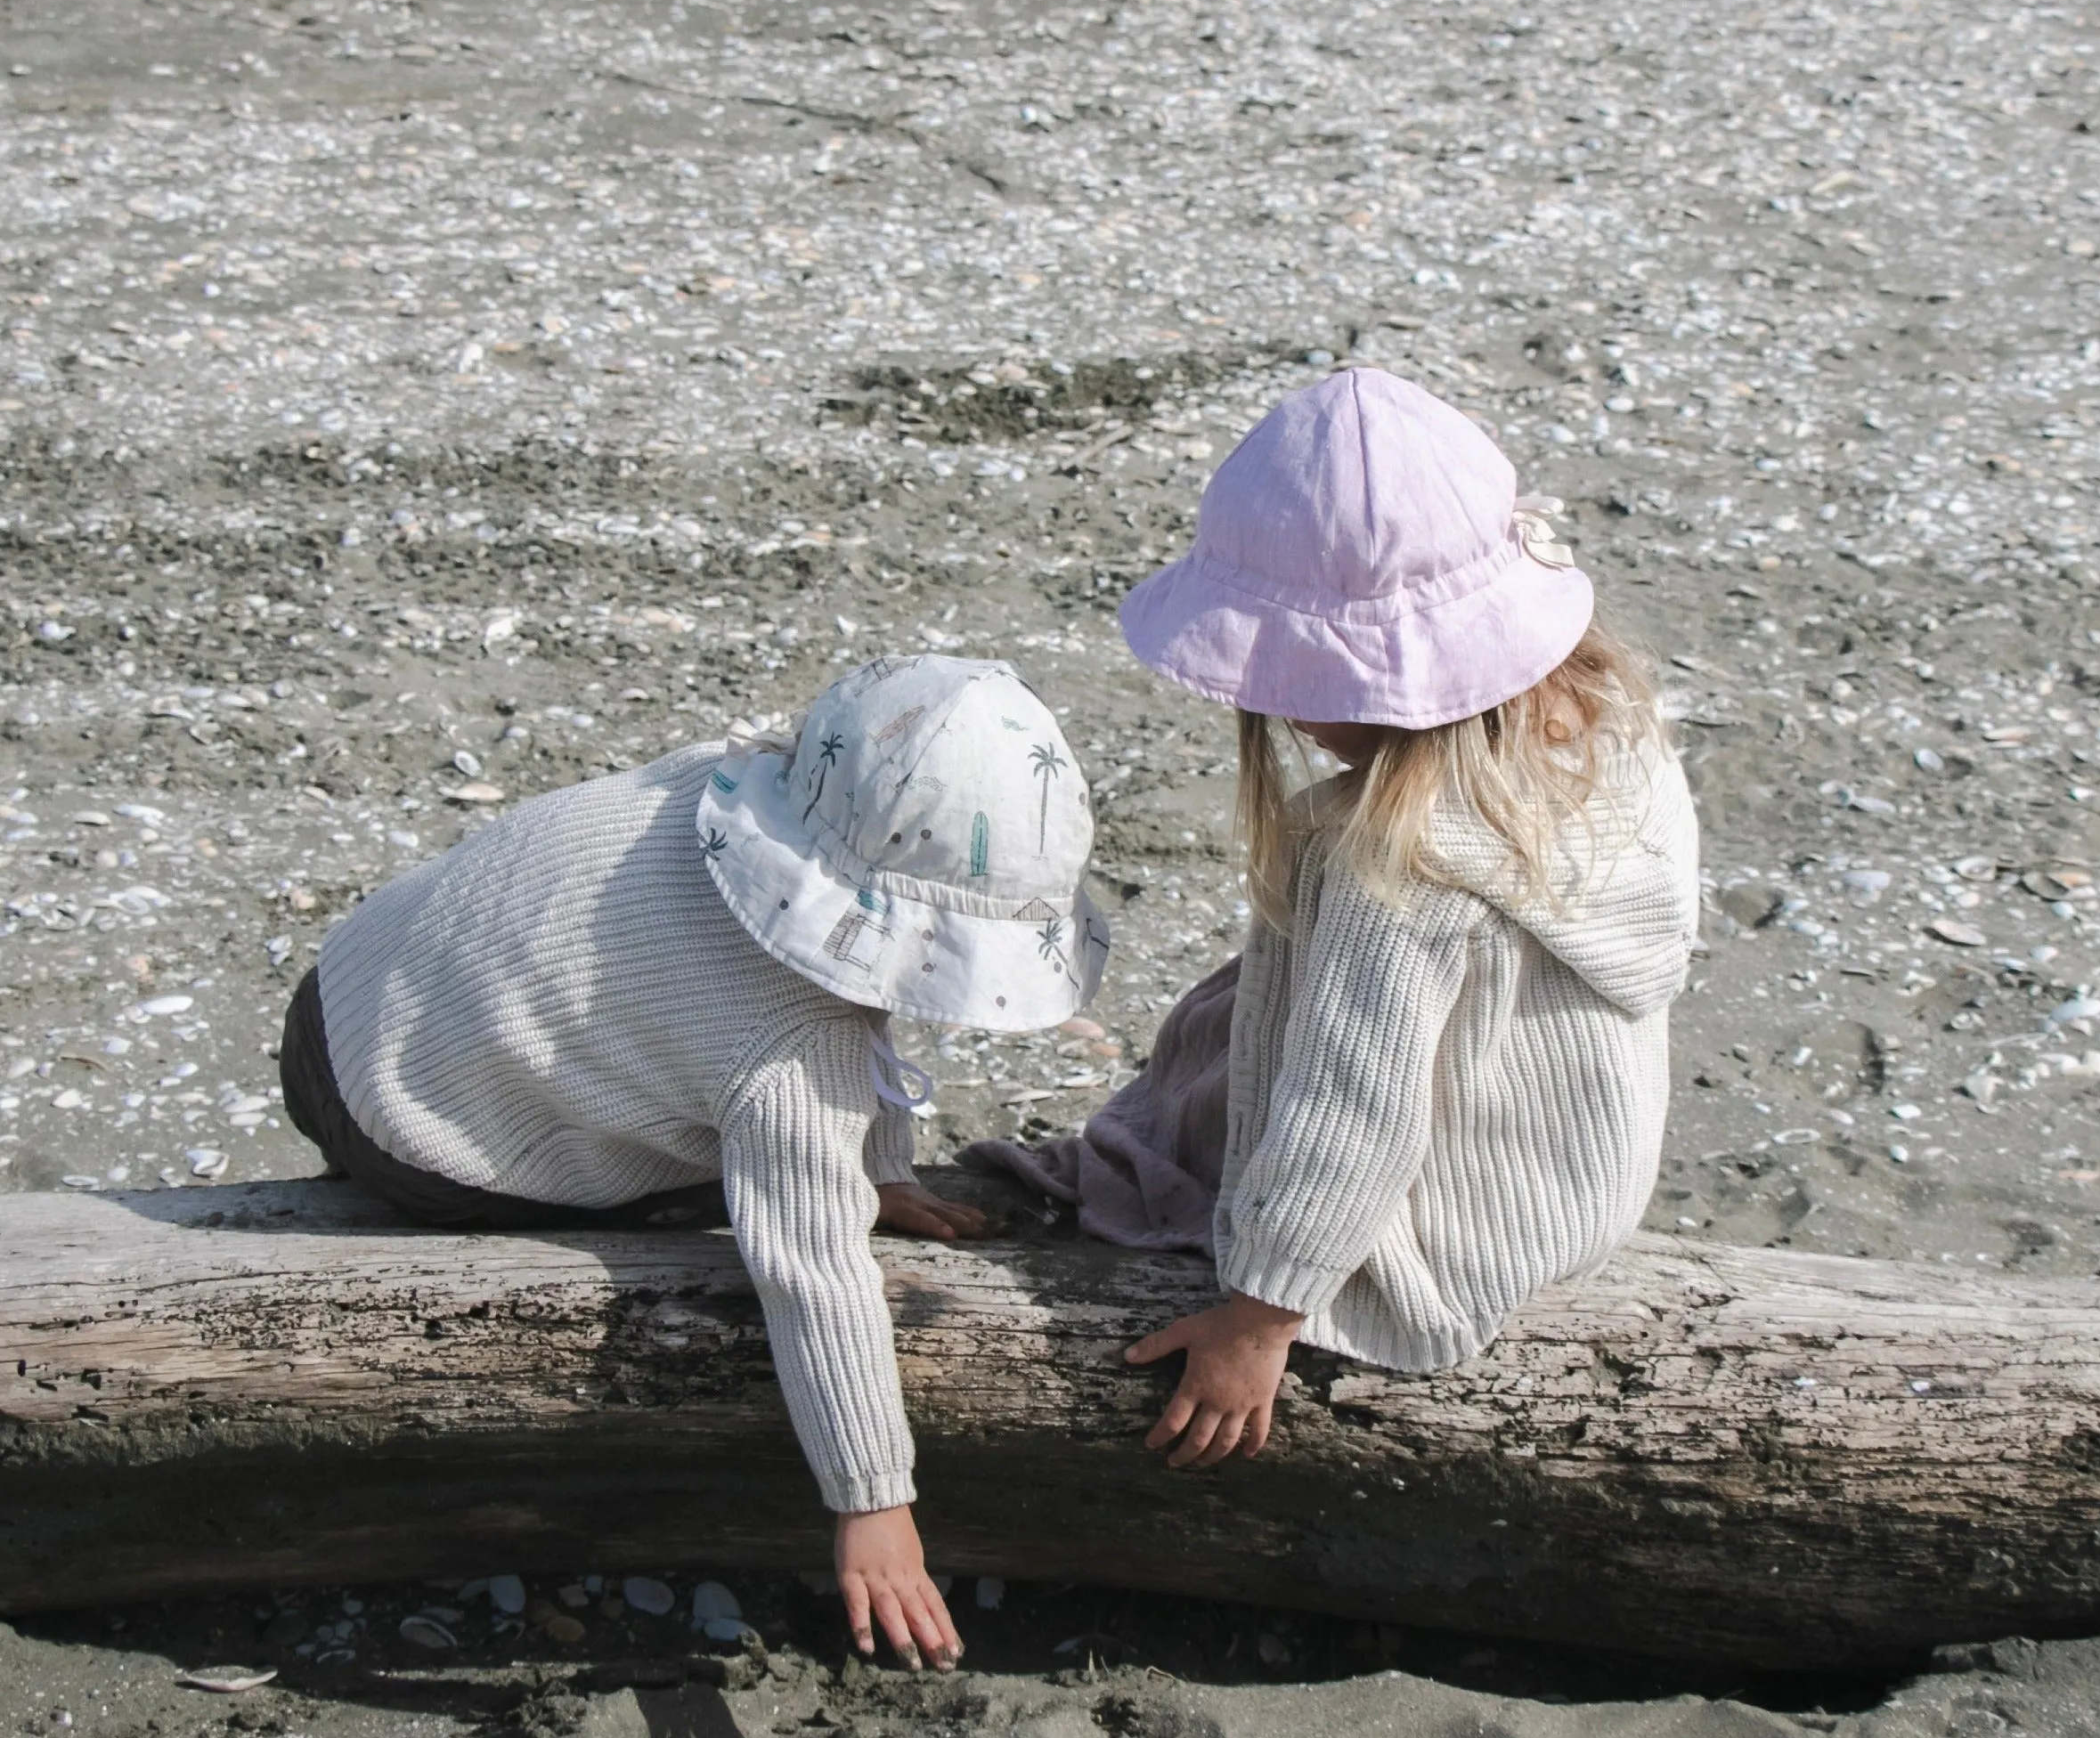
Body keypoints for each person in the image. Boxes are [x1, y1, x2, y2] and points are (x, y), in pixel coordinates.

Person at [280, 654, 1110, 1672]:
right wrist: (874, 1500)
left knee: (725, 1074)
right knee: (732, 1186)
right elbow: (812, 1273)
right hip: (412, 1135)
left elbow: (862, 980)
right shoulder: (788, 1051)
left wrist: (884, 1170)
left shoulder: (717, 787)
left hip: (342, 995)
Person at [1111, 366, 1698, 1466]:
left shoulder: (1396, 865)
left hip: (1458, 1225)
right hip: (1574, 1174)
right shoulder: (1616, 730)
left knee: (1223, 1109)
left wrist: (1262, 1315)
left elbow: (1354, 1110)